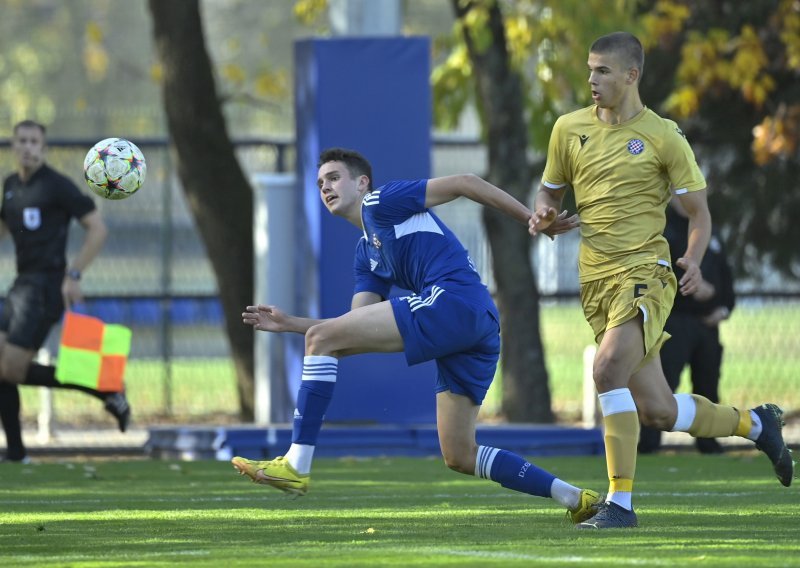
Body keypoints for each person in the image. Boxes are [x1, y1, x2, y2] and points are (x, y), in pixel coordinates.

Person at [231, 147, 599, 524]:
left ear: (362, 183)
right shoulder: (367, 253)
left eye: (334, 177)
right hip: (477, 324)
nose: (326, 187)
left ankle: (296, 463)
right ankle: (574, 497)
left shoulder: (381, 202)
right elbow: (354, 326)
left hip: (454, 302)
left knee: (324, 340)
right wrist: (291, 323)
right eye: (320, 182)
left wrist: (531, 219)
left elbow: (465, 182)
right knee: (459, 454)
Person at [529, 32, 793, 529]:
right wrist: (545, 216)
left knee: (607, 371)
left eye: (603, 70)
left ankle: (620, 505)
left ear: (632, 75)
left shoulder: (663, 135)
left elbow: (699, 213)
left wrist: (691, 258)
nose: (591, 79)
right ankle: (757, 424)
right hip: (596, 283)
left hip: (646, 273)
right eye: (590, 69)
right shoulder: (568, 129)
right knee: (659, 411)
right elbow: (549, 194)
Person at [0, 120, 131, 463]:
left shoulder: (57, 186)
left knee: (11, 370)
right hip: (20, 285)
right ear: (13, 147)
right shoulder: (11, 185)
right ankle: (16, 454)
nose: (27, 147)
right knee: (0, 366)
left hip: (45, 288)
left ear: (43, 148)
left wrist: (73, 275)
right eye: (22, 141)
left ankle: (104, 385)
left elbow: (97, 228)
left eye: (34, 142)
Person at [638, 197, 736, 455]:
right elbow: (659, 277)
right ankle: (648, 444)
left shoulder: (708, 230)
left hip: (708, 324)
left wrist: (723, 308)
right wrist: (692, 289)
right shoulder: (664, 228)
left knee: (708, 384)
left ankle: (709, 441)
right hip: (675, 320)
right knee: (664, 382)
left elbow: (726, 278)